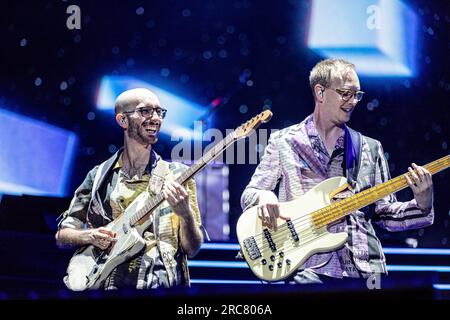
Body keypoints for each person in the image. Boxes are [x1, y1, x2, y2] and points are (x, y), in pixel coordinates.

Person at [240, 58, 434, 285]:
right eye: (345, 93)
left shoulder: (370, 148)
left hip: (364, 270)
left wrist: (422, 204)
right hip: (305, 268)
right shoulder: (285, 142)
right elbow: (250, 194)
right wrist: (264, 196)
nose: (353, 101)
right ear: (320, 92)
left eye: (357, 95)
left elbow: (384, 214)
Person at [56, 88, 203, 289]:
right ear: (122, 120)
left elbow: (192, 248)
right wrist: (89, 236)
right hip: (107, 285)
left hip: (160, 287)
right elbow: (63, 235)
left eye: (159, 112)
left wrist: (186, 215)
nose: (156, 118)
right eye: (145, 111)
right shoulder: (99, 176)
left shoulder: (177, 175)